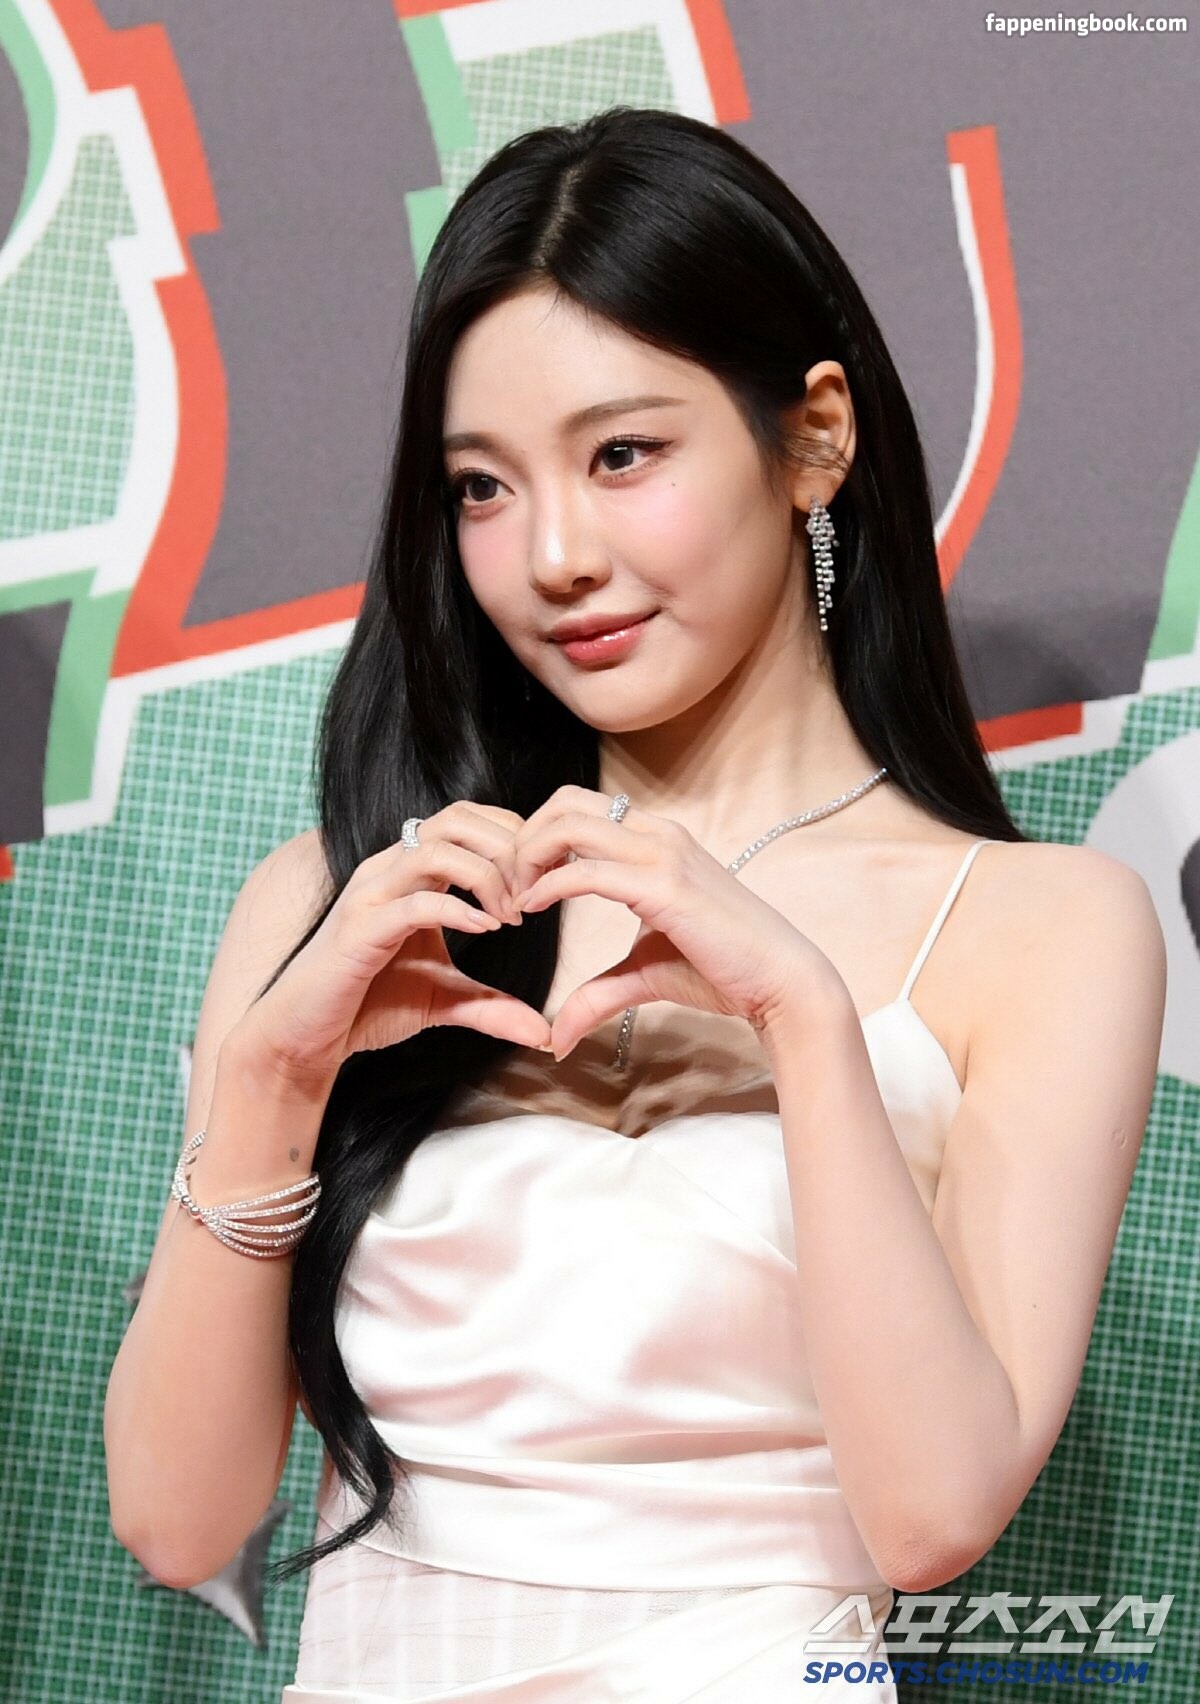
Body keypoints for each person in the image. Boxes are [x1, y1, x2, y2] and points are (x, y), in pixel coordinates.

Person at [103, 107, 1167, 1702]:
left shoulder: (1043, 928)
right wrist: (270, 1077)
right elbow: (177, 1522)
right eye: (481, 487)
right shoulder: (341, 900)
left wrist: (803, 1019)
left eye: (622, 456)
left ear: (814, 438)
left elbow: (932, 1521)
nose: (552, 556)